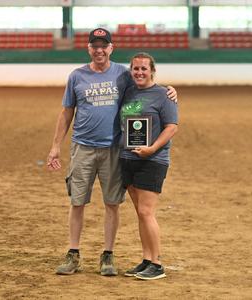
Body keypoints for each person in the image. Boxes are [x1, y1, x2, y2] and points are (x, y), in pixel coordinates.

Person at [47, 28, 177, 276]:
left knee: (112, 204)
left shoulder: (123, 74)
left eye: (103, 46)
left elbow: (147, 84)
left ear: (110, 48)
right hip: (82, 147)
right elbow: (66, 112)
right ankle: (73, 253)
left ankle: (108, 255)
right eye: (94, 46)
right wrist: (55, 146)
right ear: (89, 49)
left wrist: (169, 90)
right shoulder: (77, 76)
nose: (99, 50)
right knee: (77, 203)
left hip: (113, 150)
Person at [120, 52, 178, 280]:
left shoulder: (164, 95)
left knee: (146, 211)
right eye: (136, 68)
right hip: (129, 158)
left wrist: (153, 148)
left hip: (152, 160)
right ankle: (146, 259)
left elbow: (172, 127)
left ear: (152, 70)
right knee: (140, 213)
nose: (140, 72)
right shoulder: (128, 91)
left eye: (144, 68)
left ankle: (156, 263)